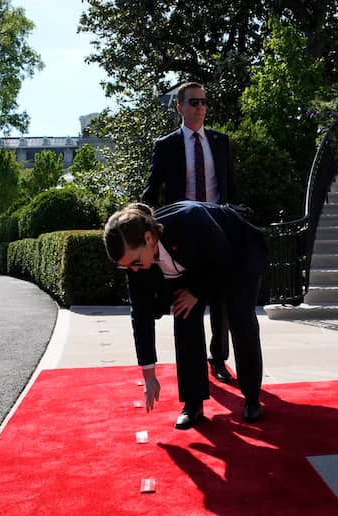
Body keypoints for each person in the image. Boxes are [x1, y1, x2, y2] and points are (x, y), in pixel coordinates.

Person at [103, 201, 266, 429]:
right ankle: (193, 404)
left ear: (149, 239)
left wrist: (197, 292)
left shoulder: (190, 221)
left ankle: (252, 398)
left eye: (136, 262)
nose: (134, 270)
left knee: (240, 317)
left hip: (236, 253)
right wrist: (149, 375)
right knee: (184, 315)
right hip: (193, 264)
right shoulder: (135, 262)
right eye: (126, 267)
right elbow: (140, 315)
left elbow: (224, 258)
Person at [141, 81, 239, 385]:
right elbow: (152, 188)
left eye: (204, 102)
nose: (200, 107)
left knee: (221, 301)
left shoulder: (220, 142)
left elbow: (231, 188)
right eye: (194, 102)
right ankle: (193, 391)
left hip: (217, 230)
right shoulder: (166, 145)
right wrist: (137, 220)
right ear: (180, 107)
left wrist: (236, 219)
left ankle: (218, 359)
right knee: (186, 307)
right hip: (182, 238)